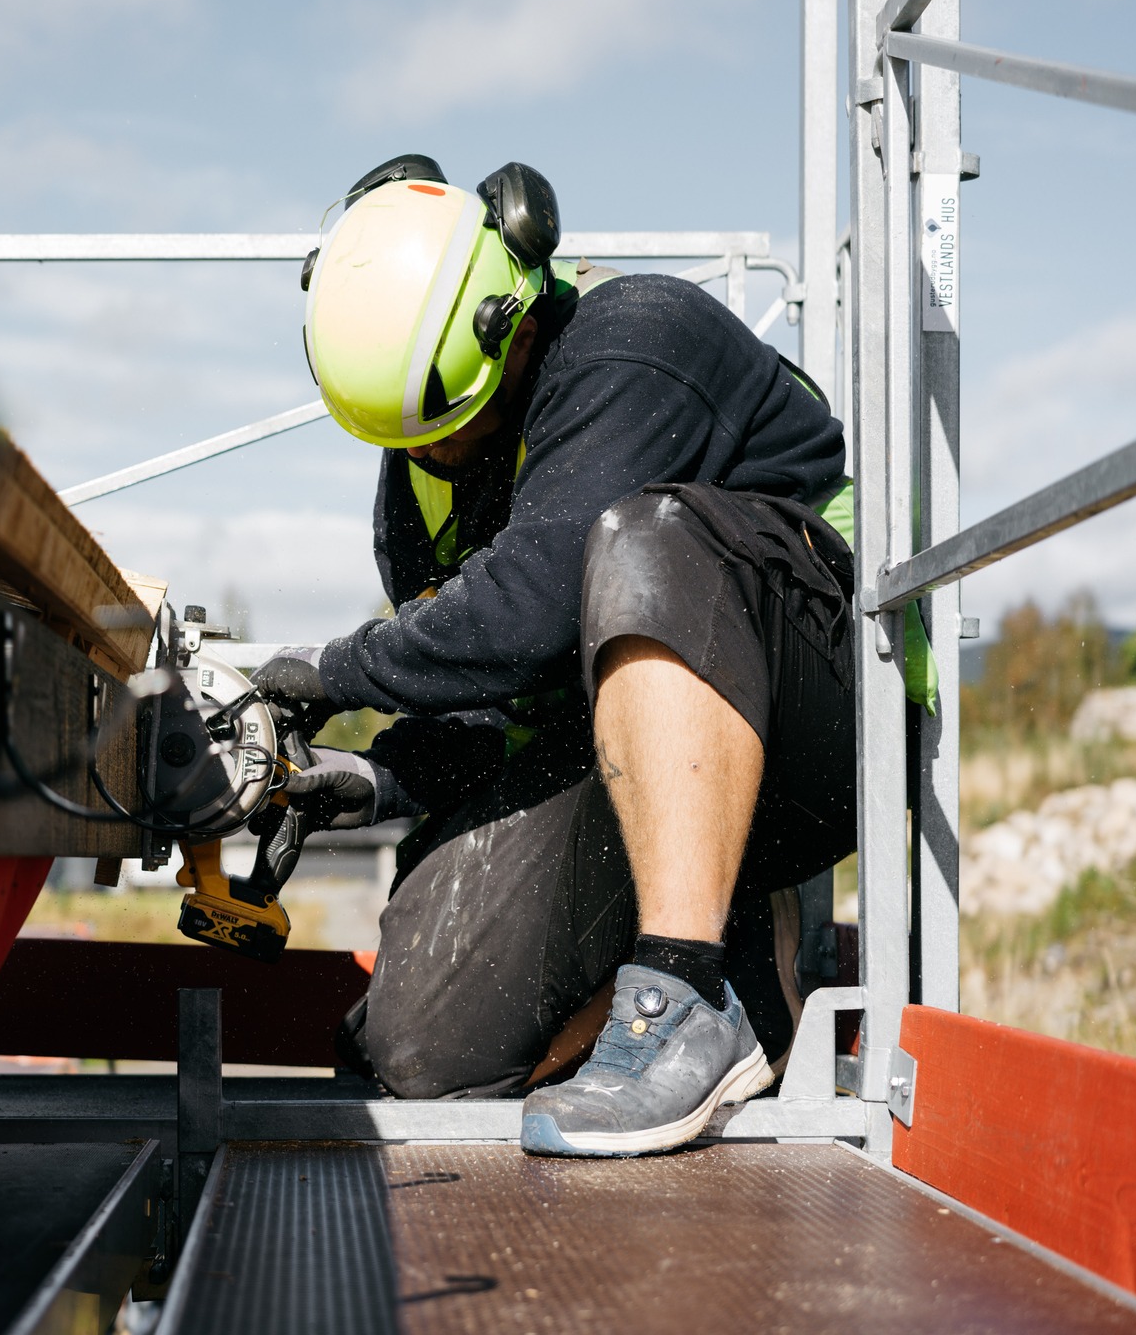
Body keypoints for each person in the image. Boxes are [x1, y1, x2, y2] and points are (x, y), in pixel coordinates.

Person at [251, 154, 884, 1157]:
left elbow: (535, 602)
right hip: (625, 752)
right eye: (413, 444)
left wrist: (333, 673)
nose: (430, 460)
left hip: (823, 720)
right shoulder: (421, 458)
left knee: (639, 539)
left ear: (519, 322)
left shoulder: (633, 341)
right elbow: (496, 690)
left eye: (447, 438)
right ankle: (732, 967)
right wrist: (377, 776)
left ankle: (691, 981)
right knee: (421, 1052)